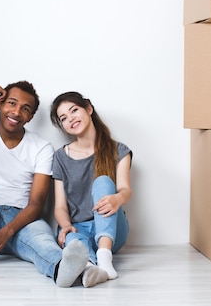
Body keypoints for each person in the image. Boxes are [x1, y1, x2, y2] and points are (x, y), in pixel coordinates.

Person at [0, 81, 89, 287]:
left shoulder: (41, 148)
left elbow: (37, 204)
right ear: (0, 105)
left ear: (30, 117)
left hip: (22, 220)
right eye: (12, 103)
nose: (17, 112)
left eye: (25, 109)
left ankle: (61, 269)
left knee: (42, 240)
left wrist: (8, 231)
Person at [49, 91, 133, 287]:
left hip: (111, 227)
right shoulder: (60, 157)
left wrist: (117, 200)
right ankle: (89, 268)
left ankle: (104, 258)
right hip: (79, 228)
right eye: (64, 118)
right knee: (72, 238)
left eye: (74, 110)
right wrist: (65, 225)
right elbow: (60, 206)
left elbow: (125, 189)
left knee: (103, 181)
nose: (71, 119)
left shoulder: (119, 150)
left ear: (88, 108)